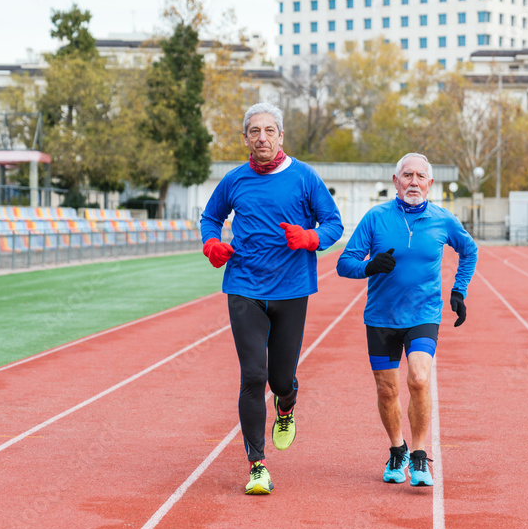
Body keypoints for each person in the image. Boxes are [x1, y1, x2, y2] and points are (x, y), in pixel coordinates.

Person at [201, 102, 344, 495]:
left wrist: (311, 238)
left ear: (281, 136)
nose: (261, 138)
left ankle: (286, 404)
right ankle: (257, 465)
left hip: (292, 289)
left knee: (280, 379)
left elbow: (333, 223)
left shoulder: (304, 177)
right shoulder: (234, 180)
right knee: (253, 375)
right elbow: (210, 217)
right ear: (245, 138)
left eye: (269, 131)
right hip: (244, 286)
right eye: (254, 131)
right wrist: (211, 242)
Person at [336, 153, 478, 487]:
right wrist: (368, 267)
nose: (414, 181)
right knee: (387, 390)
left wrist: (459, 290)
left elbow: (470, 251)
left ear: (430, 183)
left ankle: (418, 455)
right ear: (395, 180)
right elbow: (345, 263)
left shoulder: (443, 220)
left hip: (424, 315)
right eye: (407, 175)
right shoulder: (375, 218)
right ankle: (396, 449)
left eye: (420, 176)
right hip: (381, 317)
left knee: (417, 378)